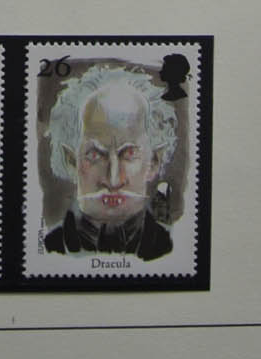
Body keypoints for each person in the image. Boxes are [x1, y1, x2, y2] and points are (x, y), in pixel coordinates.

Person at [43, 63, 177, 259]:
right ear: (71, 162)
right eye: (95, 155)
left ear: (154, 162)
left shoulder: (169, 247)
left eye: (129, 153)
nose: (113, 180)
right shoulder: (51, 246)